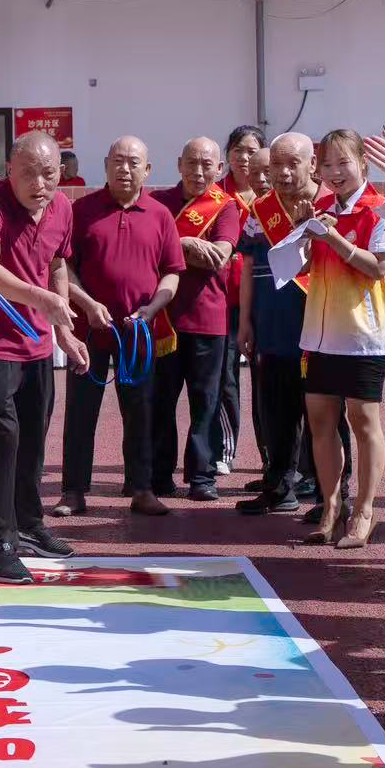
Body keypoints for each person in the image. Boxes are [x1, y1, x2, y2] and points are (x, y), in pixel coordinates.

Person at [0, 131, 91, 583]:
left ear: (61, 173)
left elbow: (57, 264)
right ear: (8, 170)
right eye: (28, 173)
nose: (39, 184)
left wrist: (64, 330)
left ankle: (29, 526)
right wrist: (42, 300)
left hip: (35, 344)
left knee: (32, 438)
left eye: (48, 174)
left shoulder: (62, 207)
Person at [55, 135, 182, 518]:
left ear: (148, 170)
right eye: (117, 161)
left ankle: (142, 488)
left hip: (138, 332)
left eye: (133, 162)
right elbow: (63, 267)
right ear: (106, 165)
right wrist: (87, 303)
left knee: (141, 412)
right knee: (80, 413)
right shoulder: (82, 210)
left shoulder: (160, 214)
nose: (124, 169)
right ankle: (73, 491)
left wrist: (153, 308)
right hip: (89, 330)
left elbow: (172, 272)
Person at [293, 129, 385, 550]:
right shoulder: (320, 210)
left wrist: (332, 238)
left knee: (362, 421)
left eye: (343, 163)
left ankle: (365, 511)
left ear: (363, 164)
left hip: (364, 335)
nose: (335, 172)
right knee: (320, 420)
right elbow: (304, 266)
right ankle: (331, 507)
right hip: (320, 334)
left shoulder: (379, 210)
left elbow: (378, 267)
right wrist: (302, 236)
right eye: (327, 165)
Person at [235, 136, 349, 517]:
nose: (283, 173)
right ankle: (279, 487)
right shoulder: (260, 210)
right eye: (276, 166)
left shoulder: (331, 205)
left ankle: (331, 495)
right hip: (273, 327)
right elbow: (248, 267)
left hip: (321, 329)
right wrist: (245, 321)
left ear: (312, 164)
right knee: (276, 413)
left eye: (292, 164)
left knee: (328, 414)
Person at [149, 138, 243, 500]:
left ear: (219, 169)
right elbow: (148, 250)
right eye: (192, 163)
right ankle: (159, 475)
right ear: (179, 164)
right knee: (160, 401)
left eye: (207, 164)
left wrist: (172, 245)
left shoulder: (226, 206)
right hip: (164, 318)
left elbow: (219, 256)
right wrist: (187, 244)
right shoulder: (158, 202)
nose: (199, 171)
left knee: (206, 402)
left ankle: (202, 476)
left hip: (208, 319)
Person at [214, 125, 266, 482]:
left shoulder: (275, 193)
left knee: (267, 380)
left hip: (264, 301)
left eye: (251, 150)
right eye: (238, 150)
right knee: (225, 378)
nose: (244, 157)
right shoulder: (215, 195)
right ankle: (224, 450)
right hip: (223, 301)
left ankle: (271, 454)